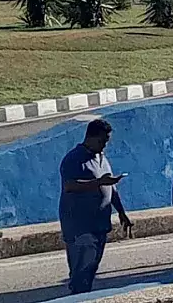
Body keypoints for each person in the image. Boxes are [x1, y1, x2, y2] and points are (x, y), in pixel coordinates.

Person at [58, 119, 132, 295]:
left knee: (90, 270)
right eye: (102, 141)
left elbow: (111, 188)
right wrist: (98, 182)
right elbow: (70, 185)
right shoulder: (73, 159)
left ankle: (83, 295)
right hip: (80, 228)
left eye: (107, 141)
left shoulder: (101, 157)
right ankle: (78, 298)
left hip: (99, 225)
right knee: (80, 273)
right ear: (90, 137)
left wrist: (121, 212)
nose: (104, 145)